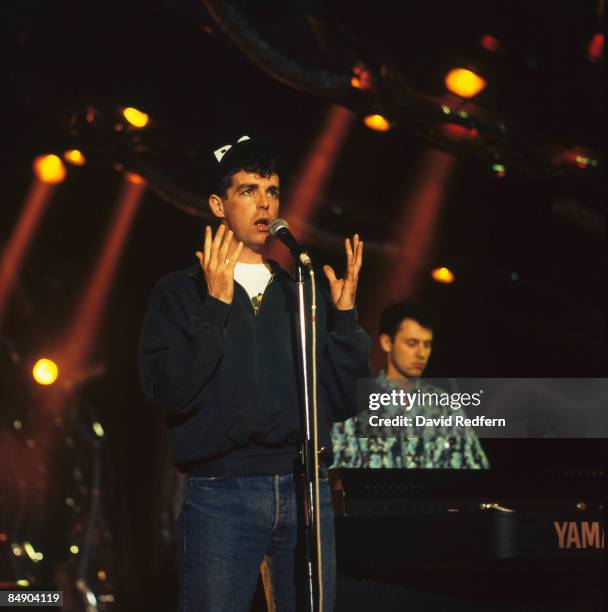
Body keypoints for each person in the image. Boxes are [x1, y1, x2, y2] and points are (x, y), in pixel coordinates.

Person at [138, 135, 372, 611]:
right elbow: (169, 390)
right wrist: (215, 308)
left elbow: (344, 401)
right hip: (223, 493)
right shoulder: (180, 293)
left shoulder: (300, 293)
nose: (264, 203)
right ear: (217, 205)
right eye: (248, 191)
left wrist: (344, 319)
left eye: (272, 191)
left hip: (304, 487)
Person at [332, 301, 489, 469]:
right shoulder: (358, 404)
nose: (421, 353)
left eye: (427, 345)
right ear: (387, 342)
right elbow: (333, 474)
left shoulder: (446, 407)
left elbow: (476, 473)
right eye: (412, 343)